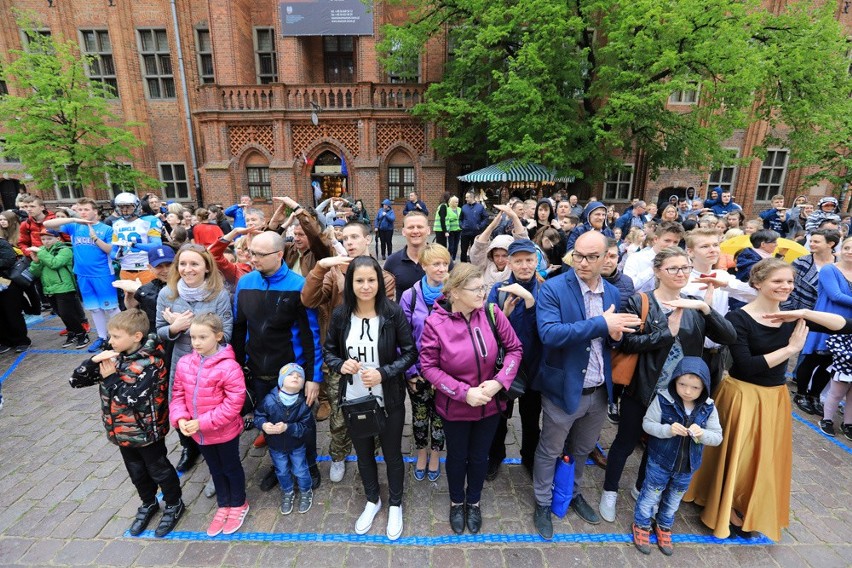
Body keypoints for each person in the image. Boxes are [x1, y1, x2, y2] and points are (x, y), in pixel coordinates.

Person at [684, 258, 852, 540]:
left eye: (789, 282)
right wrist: (792, 349)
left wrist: (803, 312)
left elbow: (846, 325)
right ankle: (725, 505)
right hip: (742, 396)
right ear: (758, 283)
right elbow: (748, 365)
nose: (785, 287)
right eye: (778, 281)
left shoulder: (791, 315)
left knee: (761, 458)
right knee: (740, 455)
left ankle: (745, 503)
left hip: (774, 399)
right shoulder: (739, 318)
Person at [600, 247, 735, 524]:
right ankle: (609, 491)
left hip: (677, 395)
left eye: (685, 268)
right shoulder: (640, 301)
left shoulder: (694, 305)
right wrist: (666, 333)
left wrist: (706, 308)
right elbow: (626, 343)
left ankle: (641, 486)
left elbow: (728, 336)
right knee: (625, 442)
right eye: (673, 268)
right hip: (642, 387)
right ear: (657, 271)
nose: (681, 273)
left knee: (658, 443)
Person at [531, 232, 643, 539]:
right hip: (563, 388)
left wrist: (615, 335)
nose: (582, 262)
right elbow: (550, 334)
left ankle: (572, 492)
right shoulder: (554, 288)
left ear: (607, 257)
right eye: (577, 255)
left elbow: (607, 339)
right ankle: (542, 502)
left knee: (581, 449)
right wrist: (602, 325)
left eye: (591, 257)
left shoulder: (612, 292)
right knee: (551, 448)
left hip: (598, 389)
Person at [420, 263, 523, 535]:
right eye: (476, 289)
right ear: (454, 292)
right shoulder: (435, 323)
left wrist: (499, 381)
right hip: (455, 407)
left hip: (490, 405)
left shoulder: (491, 312)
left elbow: (514, 349)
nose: (483, 293)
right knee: (457, 456)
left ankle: (473, 502)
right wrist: (465, 393)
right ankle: (456, 502)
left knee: (479, 457)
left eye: (484, 287)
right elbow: (428, 368)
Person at [323, 256, 418, 540]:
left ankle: (396, 504)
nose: (366, 286)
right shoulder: (341, 315)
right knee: (363, 454)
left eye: (371, 280)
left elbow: (411, 352)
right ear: (350, 283)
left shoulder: (392, 313)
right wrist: (341, 364)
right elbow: (329, 351)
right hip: (353, 399)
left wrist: (385, 372)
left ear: (380, 281)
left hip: (387, 397)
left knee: (392, 455)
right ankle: (372, 499)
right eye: (359, 281)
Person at [301, 221, 396, 483]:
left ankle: (373, 452)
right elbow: (308, 300)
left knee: (375, 409)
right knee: (340, 415)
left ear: (368, 239)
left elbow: (384, 317)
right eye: (345, 237)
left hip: (372, 360)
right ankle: (339, 455)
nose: (350, 242)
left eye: (355, 237)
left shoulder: (383, 277)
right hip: (339, 360)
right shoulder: (333, 273)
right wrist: (321, 268)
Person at [232, 231, 323, 490]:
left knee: (301, 423)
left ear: (279, 255)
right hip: (258, 368)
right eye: (251, 252)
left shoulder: (298, 285)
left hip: (291, 373)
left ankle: (309, 465)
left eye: (260, 254)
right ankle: (278, 464)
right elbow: (239, 328)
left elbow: (310, 335)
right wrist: (238, 366)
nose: (253, 258)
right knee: (270, 423)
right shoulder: (245, 283)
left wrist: (314, 377)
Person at [85, 309, 184, 538]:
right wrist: (92, 362)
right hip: (121, 430)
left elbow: (130, 398)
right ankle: (148, 501)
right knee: (136, 471)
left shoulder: (151, 363)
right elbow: (75, 380)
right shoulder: (113, 355)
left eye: (116, 337)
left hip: (146, 432)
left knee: (159, 469)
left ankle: (173, 503)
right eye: (110, 336)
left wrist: (109, 378)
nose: (110, 341)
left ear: (136, 336)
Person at [631, 357, 723, 556]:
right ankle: (641, 524)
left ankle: (664, 526)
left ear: (704, 387)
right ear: (674, 381)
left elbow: (717, 437)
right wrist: (667, 430)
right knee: (650, 495)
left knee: (674, 499)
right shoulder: (664, 399)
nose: (687, 391)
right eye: (682, 384)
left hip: (687, 466)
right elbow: (647, 424)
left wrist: (702, 434)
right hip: (660, 462)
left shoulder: (708, 407)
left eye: (695, 387)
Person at [156, 244, 233, 473]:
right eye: (183, 264)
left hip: (211, 366)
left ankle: (216, 445)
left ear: (207, 268)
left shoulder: (219, 295)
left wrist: (188, 326)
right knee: (182, 407)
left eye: (194, 264)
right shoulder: (167, 294)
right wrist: (173, 328)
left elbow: (226, 335)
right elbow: (159, 331)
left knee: (210, 406)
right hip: (181, 363)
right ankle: (188, 446)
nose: (188, 269)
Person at [170, 313, 248, 536]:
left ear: (218, 336)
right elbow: (177, 395)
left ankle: (239, 503)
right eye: (193, 337)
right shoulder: (185, 363)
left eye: (203, 337)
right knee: (214, 468)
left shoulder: (229, 368)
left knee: (231, 468)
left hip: (223, 432)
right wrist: (182, 418)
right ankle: (224, 505)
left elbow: (233, 405)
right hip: (199, 434)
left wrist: (201, 423)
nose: (196, 342)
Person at [485, 239, 543, 479]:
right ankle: (495, 456)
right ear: (509, 263)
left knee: (531, 419)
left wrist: (530, 304)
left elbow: (546, 332)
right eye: (518, 261)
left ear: (536, 260)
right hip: (505, 369)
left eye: (529, 260)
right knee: (499, 417)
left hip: (534, 367)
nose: (524, 266)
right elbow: (486, 330)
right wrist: (504, 316)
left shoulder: (546, 290)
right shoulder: (498, 291)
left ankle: (529, 457)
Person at [398, 243, 451, 482]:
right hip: (418, 371)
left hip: (445, 373)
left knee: (440, 416)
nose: (441, 269)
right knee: (420, 415)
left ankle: (436, 454)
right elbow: (403, 337)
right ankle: (421, 451)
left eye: (445, 264)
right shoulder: (410, 296)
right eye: (436, 264)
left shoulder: (453, 294)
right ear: (424, 266)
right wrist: (410, 372)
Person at [682, 229, 757, 390]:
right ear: (690, 251)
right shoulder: (683, 279)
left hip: (718, 353)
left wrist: (727, 285)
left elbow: (756, 295)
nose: (712, 249)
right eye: (705, 246)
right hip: (690, 352)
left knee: (711, 396)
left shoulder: (722, 276)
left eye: (715, 244)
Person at [43, 198, 119, 353]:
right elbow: (47, 225)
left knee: (111, 308)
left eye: (86, 209)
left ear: (95, 211)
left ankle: (119, 336)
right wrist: (72, 217)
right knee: (95, 309)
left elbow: (111, 251)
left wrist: (96, 239)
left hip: (102, 274)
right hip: (83, 275)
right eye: (80, 209)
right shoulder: (74, 226)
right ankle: (102, 337)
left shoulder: (106, 229)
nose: (82, 212)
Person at [794, 236, 852, 416]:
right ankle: (801, 394)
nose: (850, 252)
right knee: (811, 359)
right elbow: (835, 295)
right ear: (841, 249)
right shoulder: (829, 269)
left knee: (830, 363)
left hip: (846, 327)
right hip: (824, 321)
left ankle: (814, 396)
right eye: (847, 248)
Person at [254, 363, 316, 515]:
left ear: (303, 384)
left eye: (300, 375)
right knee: (281, 471)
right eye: (290, 374)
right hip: (275, 446)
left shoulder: (303, 403)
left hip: (297, 446)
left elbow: (306, 428)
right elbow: (259, 416)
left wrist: (288, 427)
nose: (295, 376)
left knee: (301, 470)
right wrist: (264, 425)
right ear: (281, 380)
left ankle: (306, 490)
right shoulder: (269, 400)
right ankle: (287, 491)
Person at [27, 229, 90, 348]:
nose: (46, 242)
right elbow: (35, 272)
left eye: (49, 238)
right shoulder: (43, 252)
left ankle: (82, 334)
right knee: (61, 313)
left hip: (64, 287)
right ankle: (72, 333)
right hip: (49, 288)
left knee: (67, 313)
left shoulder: (65, 250)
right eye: (43, 239)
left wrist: (40, 253)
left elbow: (55, 263)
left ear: (58, 239)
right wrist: (35, 262)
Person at [111, 193, 163, 285]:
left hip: (146, 268)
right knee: (129, 298)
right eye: (121, 207)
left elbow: (157, 246)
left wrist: (134, 245)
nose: (125, 210)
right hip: (125, 269)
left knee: (148, 298)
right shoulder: (116, 224)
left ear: (137, 206)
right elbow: (113, 250)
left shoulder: (149, 221)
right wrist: (116, 255)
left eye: (128, 207)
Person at [623, 222, 685, 294]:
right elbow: (628, 286)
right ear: (656, 239)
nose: (671, 245)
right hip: (640, 303)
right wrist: (653, 269)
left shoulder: (680, 262)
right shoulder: (635, 258)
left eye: (675, 242)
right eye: (667, 241)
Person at [384, 211, 434, 297]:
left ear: (428, 230)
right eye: (411, 227)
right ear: (403, 231)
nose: (415, 231)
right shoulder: (392, 261)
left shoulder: (442, 259)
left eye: (420, 227)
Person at [0, 234, 31, 354]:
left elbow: (9, 259)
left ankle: (21, 340)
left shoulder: (1, 243)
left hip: (6, 282)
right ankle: (5, 341)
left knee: (12, 312)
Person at [820, 332, 852, 440]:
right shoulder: (847, 327)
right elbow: (834, 342)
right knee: (836, 395)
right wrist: (847, 357)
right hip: (844, 367)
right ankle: (826, 420)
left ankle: (848, 424)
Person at [459, 191, 488, 262]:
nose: (466, 199)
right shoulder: (464, 207)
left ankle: (474, 265)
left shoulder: (480, 207)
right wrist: (461, 225)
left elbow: (485, 218)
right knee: (463, 250)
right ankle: (463, 265)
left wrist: (480, 226)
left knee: (475, 251)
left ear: (472, 197)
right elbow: (460, 219)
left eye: (467, 197)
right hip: (465, 233)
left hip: (475, 233)